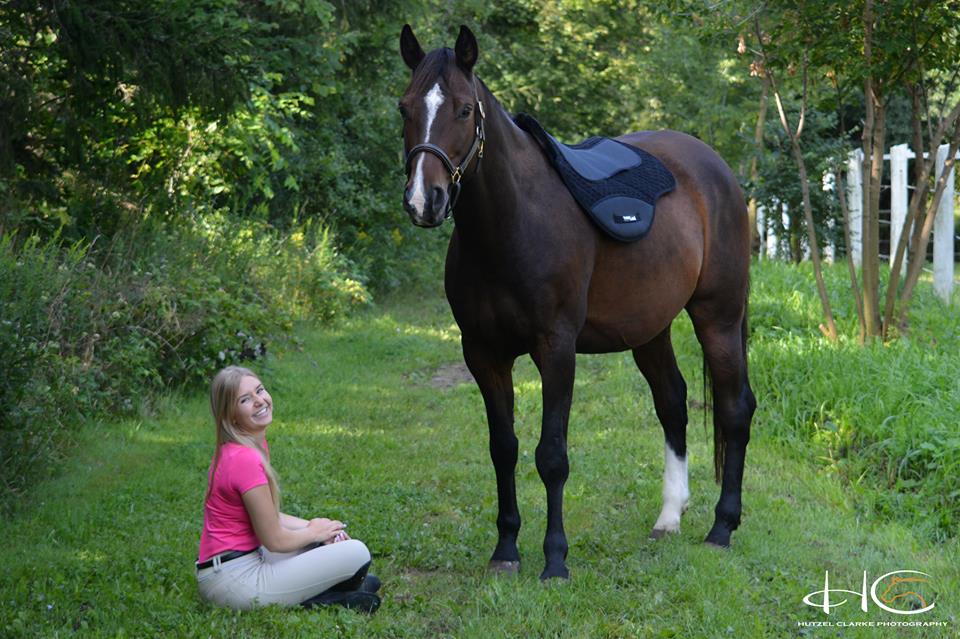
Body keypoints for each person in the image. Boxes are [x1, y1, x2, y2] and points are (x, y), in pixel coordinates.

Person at [196, 365, 380, 612]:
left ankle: (336, 589)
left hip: (241, 562)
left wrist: (318, 528)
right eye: (245, 399)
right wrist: (314, 532)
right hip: (233, 581)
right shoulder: (244, 459)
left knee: (321, 543)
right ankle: (330, 598)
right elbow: (275, 540)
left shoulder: (247, 447)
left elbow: (270, 517)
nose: (260, 401)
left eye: (260, 390)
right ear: (231, 416)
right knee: (357, 553)